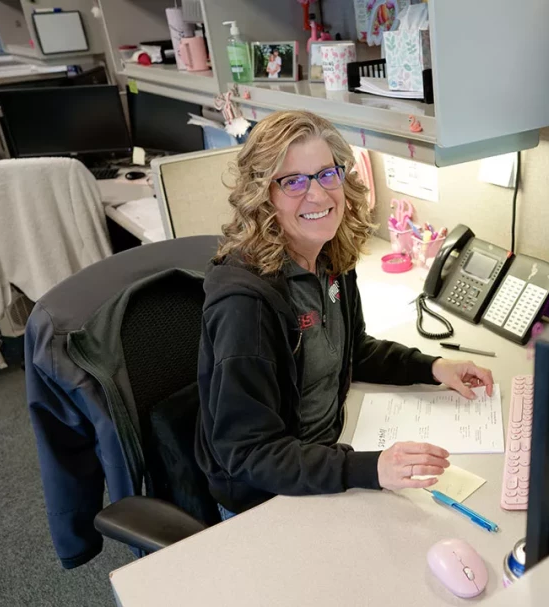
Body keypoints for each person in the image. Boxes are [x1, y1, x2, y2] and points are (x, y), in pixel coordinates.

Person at [197, 110, 494, 520]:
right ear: (263, 195)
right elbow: (249, 453)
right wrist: (370, 468)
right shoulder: (246, 305)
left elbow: (353, 350)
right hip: (268, 496)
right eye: (294, 182)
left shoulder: (328, 256)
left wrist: (435, 367)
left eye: (326, 174)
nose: (317, 195)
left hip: (327, 455)